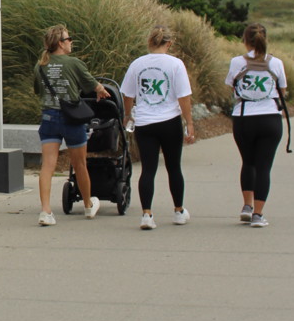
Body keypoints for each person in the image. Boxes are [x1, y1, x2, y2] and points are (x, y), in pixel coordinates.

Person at [33, 24, 110, 225]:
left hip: (49, 117)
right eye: (68, 39)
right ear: (60, 43)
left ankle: (45, 211)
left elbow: (38, 90)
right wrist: (101, 91)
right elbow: (92, 85)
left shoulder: (40, 65)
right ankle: (88, 205)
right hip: (71, 119)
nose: (71, 42)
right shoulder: (73, 63)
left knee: (47, 166)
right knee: (80, 164)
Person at [120, 26, 195, 230]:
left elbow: (127, 94)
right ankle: (178, 210)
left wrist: (128, 114)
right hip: (170, 120)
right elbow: (183, 96)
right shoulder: (176, 64)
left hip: (145, 122)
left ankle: (147, 214)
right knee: (174, 167)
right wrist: (189, 122)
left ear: (150, 42)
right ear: (169, 43)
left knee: (148, 169)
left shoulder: (137, 64)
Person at [225, 23, 288, 228]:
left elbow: (231, 86)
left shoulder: (237, 62)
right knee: (264, 167)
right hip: (270, 118)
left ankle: (247, 206)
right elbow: (282, 90)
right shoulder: (276, 63)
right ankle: (258, 215)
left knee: (248, 162)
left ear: (245, 40)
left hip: (244, 117)